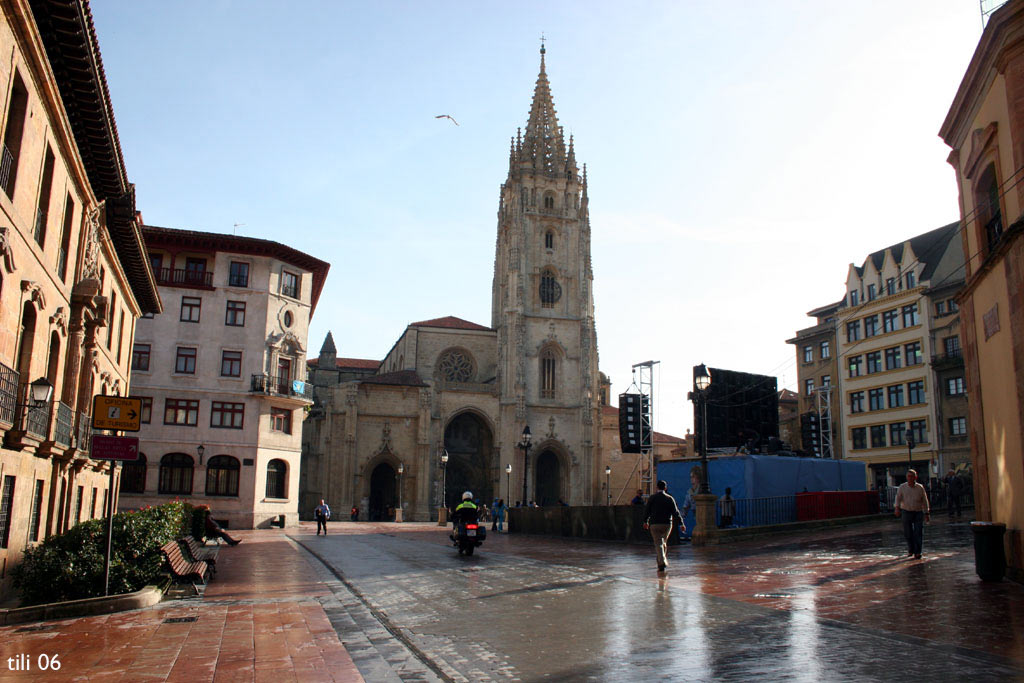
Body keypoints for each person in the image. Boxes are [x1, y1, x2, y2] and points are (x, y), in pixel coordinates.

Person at [642, 480, 685, 572]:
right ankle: (661, 561)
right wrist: (681, 523)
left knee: (658, 544)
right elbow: (676, 512)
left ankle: (661, 562)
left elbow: (647, 511)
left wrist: (645, 521)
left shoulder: (652, 498)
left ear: (657, 487)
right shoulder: (670, 498)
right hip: (667, 524)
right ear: (665, 488)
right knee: (663, 542)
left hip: (654, 524)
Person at [895, 469, 930, 559]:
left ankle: (918, 551)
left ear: (915, 477)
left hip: (918, 511)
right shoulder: (902, 487)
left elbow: (924, 500)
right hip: (906, 511)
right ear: (906, 477)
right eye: (908, 476)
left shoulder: (920, 487)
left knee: (918, 532)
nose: (910, 478)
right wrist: (897, 508)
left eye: (912, 476)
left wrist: (926, 513)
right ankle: (911, 549)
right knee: (908, 533)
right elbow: (898, 498)